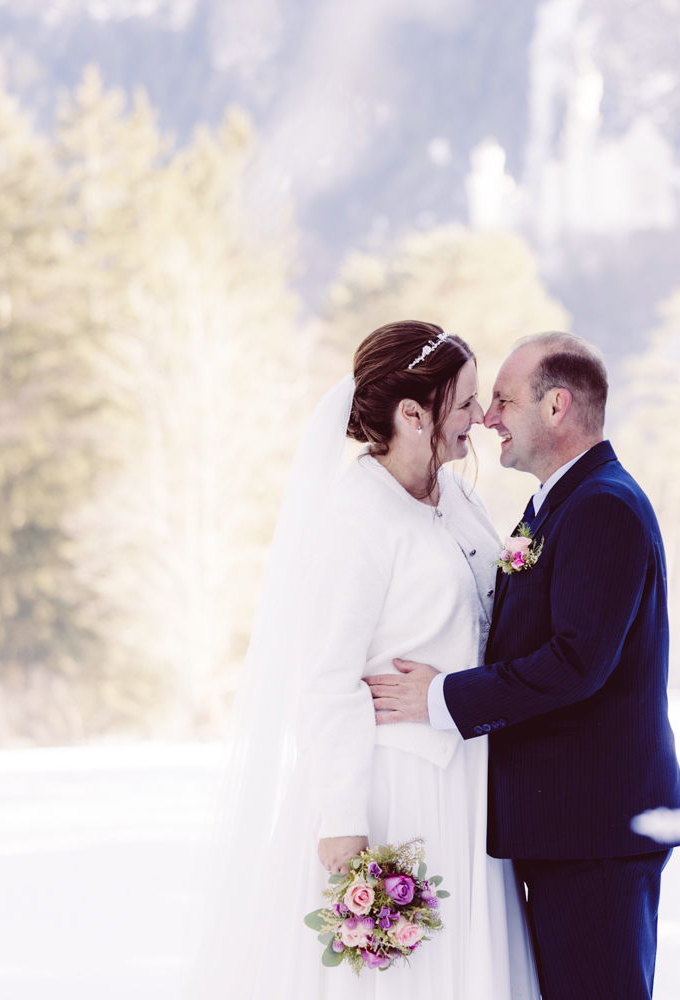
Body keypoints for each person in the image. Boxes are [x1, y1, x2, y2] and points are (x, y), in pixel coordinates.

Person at [191, 320, 538, 999]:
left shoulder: (459, 495)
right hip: (392, 794)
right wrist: (345, 827)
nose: (481, 417)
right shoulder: (355, 519)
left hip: (466, 780)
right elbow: (326, 682)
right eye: (464, 402)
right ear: (413, 414)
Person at [368, 331, 680, 1000]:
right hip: (567, 824)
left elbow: (578, 662)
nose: (488, 419)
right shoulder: (561, 500)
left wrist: (443, 698)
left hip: (594, 829)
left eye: (504, 401)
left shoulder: (602, 506)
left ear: (557, 407)